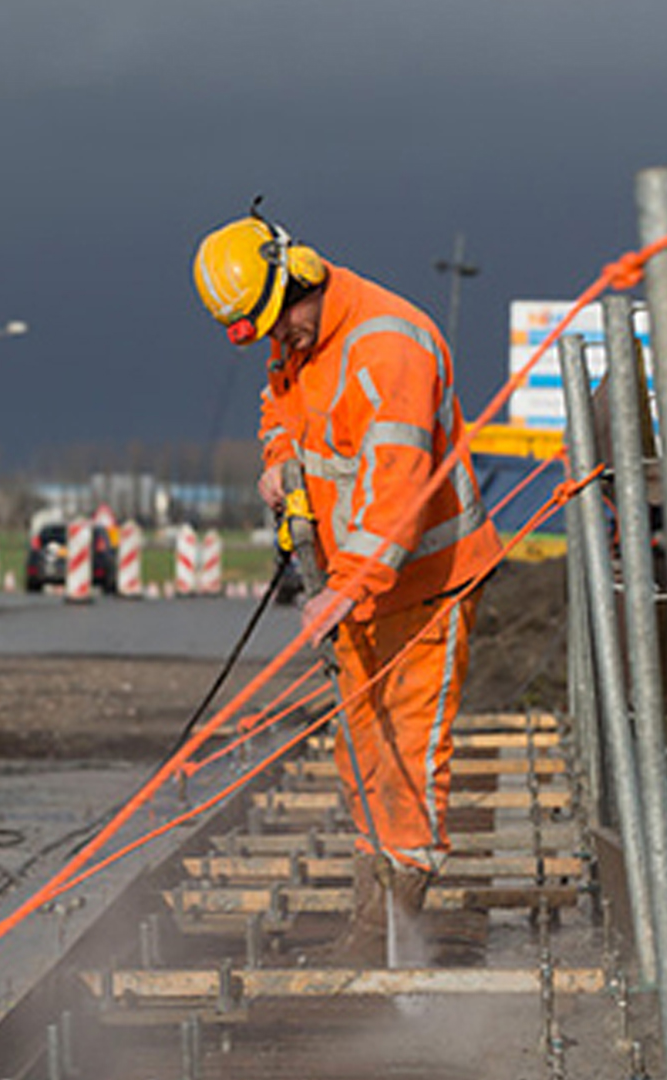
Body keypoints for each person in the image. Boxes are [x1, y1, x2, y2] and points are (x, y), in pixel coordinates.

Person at [192, 202, 501, 964]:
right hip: (357, 589)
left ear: (301, 274)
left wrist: (347, 583)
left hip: (423, 584)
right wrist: (278, 461)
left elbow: (394, 486)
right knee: (360, 748)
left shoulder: (387, 346)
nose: (278, 342)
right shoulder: (301, 336)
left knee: (408, 751)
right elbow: (282, 405)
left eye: (278, 325)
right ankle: (373, 913)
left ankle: (396, 927)